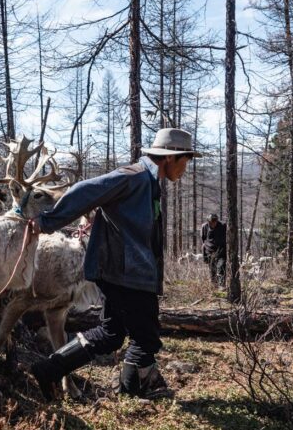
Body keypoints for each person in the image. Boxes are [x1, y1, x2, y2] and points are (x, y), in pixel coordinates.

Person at [28, 128, 201, 401]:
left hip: (130, 271)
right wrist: (47, 222)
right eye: (186, 160)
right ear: (171, 158)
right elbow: (84, 190)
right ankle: (133, 389)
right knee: (146, 337)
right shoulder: (134, 177)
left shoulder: (149, 183)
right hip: (125, 273)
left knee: (111, 333)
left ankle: (48, 370)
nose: (186, 167)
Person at [201, 213, 226, 287]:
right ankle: (214, 286)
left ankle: (222, 286)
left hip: (221, 251)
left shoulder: (222, 226)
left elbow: (226, 239)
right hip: (210, 252)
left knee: (221, 268)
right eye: (212, 222)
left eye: (215, 221)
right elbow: (204, 240)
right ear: (208, 222)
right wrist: (204, 255)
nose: (213, 223)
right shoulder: (204, 227)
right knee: (212, 271)